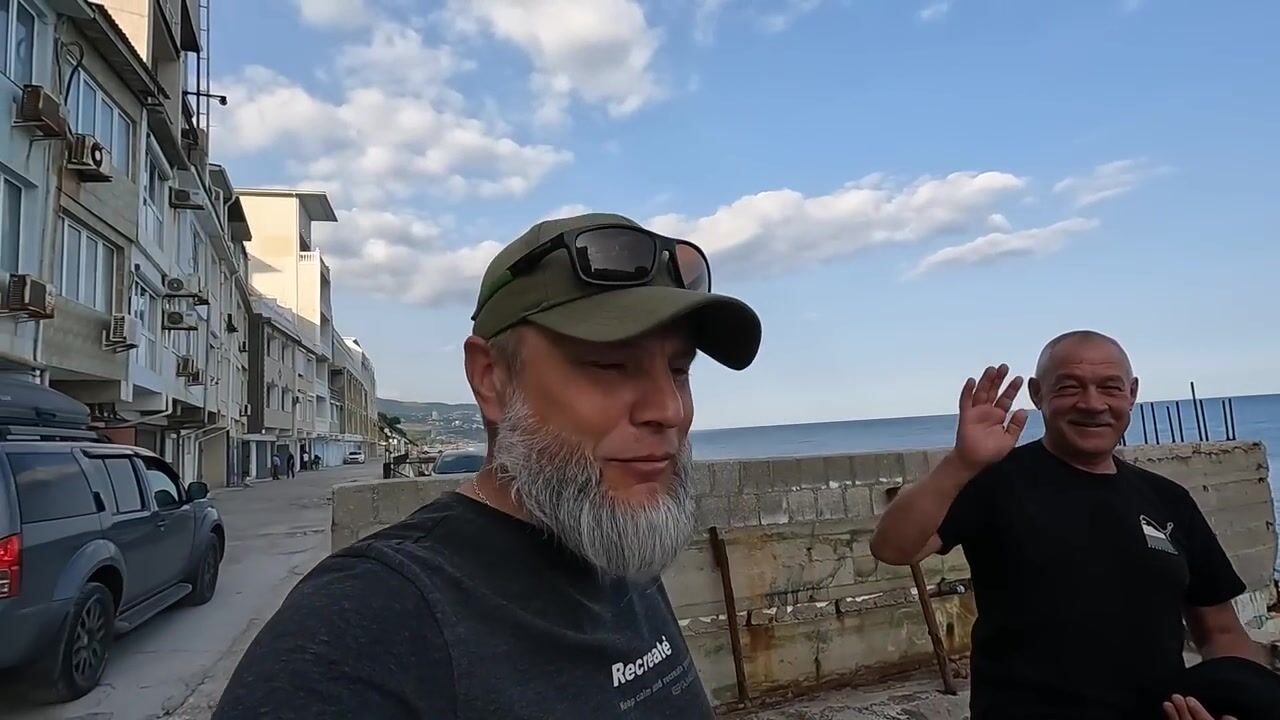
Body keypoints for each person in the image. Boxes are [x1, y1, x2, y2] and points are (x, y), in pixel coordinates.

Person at [211, 212, 762, 719]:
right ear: (491, 378)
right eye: (612, 365)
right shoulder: (367, 622)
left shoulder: (617, 538)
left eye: (679, 370)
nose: (670, 409)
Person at [870, 330, 1273, 720]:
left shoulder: (1169, 499)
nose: (1093, 404)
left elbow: (1221, 633)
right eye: (1069, 387)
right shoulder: (993, 481)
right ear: (1037, 393)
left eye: (1110, 387)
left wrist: (1238, 705)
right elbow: (894, 548)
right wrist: (960, 463)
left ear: (1132, 393)